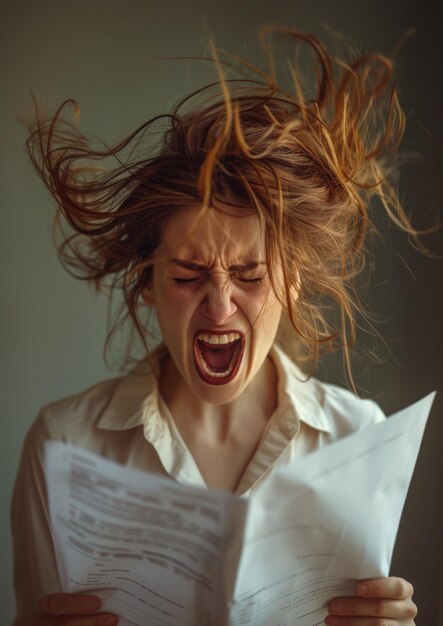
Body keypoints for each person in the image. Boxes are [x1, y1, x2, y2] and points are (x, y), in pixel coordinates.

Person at [12, 26, 419, 626]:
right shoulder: (63, 445)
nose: (220, 306)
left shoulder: (358, 441)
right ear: (147, 283)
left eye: (250, 275)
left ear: (294, 281)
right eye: (188, 275)